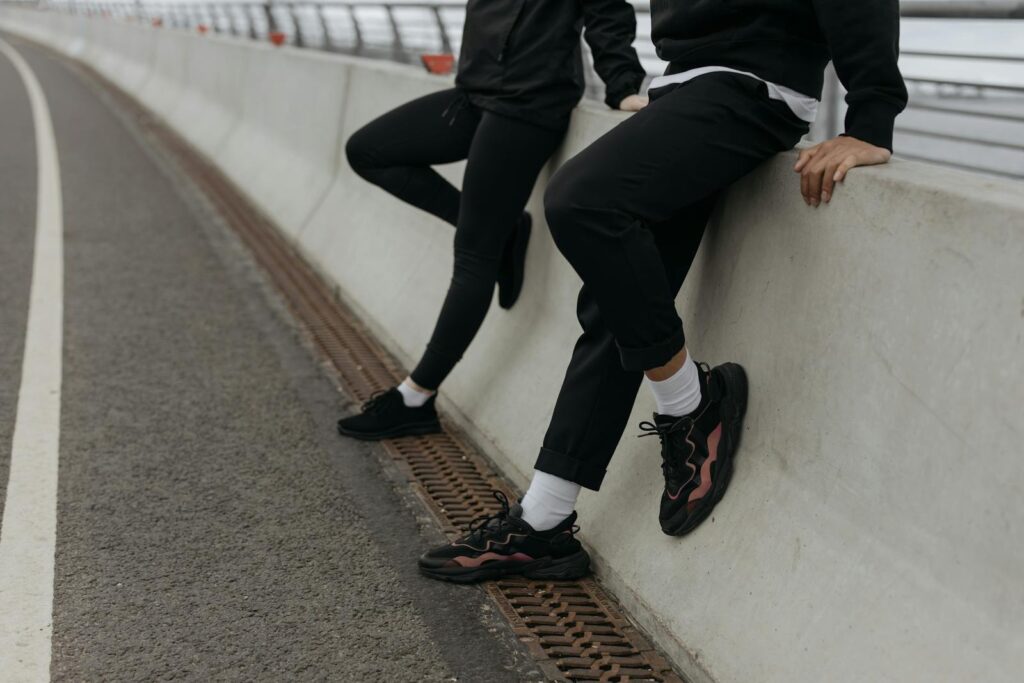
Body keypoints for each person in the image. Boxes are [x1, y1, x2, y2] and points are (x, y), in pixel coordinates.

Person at [419, 0, 907, 582]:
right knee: (617, 302)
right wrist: (626, 77)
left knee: (582, 201)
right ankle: (544, 521)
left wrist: (870, 122)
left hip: (754, 86)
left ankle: (691, 403)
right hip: (679, 87)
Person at [337, 1, 648, 440]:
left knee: (472, 257)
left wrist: (621, 85)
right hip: (475, 92)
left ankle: (416, 398)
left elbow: (606, 12)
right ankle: (507, 232)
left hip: (529, 105)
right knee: (366, 150)